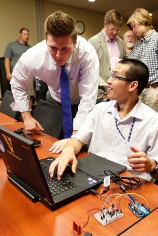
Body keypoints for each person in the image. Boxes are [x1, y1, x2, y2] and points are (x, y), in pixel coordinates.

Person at [49, 59, 158, 182]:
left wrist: (152, 166)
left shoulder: (155, 122)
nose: (108, 81)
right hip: (93, 176)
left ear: (133, 85)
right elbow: (77, 140)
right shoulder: (100, 110)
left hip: (129, 183)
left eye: (115, 76)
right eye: (111, 75)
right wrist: (68, 151)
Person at [10, 11, 99, 153]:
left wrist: (74, 139)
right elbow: (18, 82)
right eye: (53, 48)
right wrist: (26, 116)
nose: (58, 55)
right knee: (48, 145)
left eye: (65, 49)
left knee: (80, 149)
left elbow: (88, 99)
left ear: (75, 43)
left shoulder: (87, 54)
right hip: (54, 101)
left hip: (81, 104)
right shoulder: (34, 56)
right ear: (46, 41)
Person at [127, 8, 158, 114]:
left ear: (143, 22)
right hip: (140, 91)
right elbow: (130, 63)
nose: (133, 30)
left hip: (153, 91)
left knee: (151, 128)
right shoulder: (139, 43)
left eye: (134, 26)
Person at [88, 9, 126, 101]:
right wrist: (103, 83)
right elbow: (89, 69)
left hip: (117, 91)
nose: (115, 33)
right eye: (112, 29)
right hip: (99, 92)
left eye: (118, 30)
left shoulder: (121, 43)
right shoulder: (93, 42)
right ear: (105, 24)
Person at [4, 28, 35, 106]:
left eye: (28, 35)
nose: (27, 36)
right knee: (17, 95)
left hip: (28, 75)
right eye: (25, 34)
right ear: (20, 35)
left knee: (30, 94)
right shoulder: (11, 45)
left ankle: (29, 112)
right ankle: (18, 114)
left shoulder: (30, 48)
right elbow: (7, 59)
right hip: (15, 76)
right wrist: (8, 72)